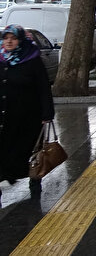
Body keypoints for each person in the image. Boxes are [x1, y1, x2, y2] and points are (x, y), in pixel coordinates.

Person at [0, 25, 55, 199]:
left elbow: (43, 88)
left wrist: (47, 114)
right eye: (6, 38)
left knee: (26, 151)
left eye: (13, 38)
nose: (9, 41)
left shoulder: (32, 60)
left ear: (21, 40)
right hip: (4, 116)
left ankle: (34, 177)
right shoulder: (2, 59)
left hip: (27, 117)